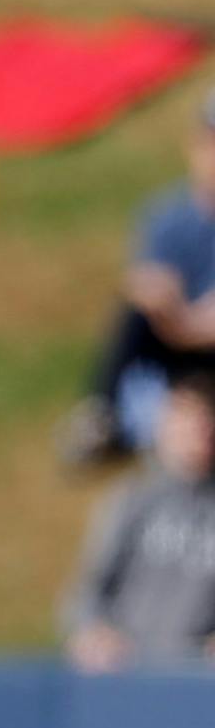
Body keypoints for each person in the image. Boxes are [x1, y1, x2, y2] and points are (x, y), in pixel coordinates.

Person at [65, 90, 215, 462]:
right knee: (132, 316)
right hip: (175, 338)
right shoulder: (167, 215)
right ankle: (102, 413)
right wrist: (179, 319)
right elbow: (148, 286)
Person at [65, 371, 215, 671]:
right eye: (187, 421)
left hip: (196, 676)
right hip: (127, 670)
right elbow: (87, 591)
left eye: (205, 423)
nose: (197, 434)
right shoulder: (133, 499)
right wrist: (94, 633)